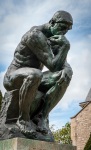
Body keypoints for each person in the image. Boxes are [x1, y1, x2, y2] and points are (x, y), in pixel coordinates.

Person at [3, 10, 73, 135]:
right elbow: (53, 65)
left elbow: (62, 65)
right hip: (13, 77)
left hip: (35, 78)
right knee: (35, 74)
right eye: (62, 28)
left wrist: (67, 69)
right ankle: (23, 120)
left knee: (65, 75)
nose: (64, 33)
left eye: (67, 30)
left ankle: (41, 117)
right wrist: (65, 47)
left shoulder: (57, 39)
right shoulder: (35, 35)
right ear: (52, 22)